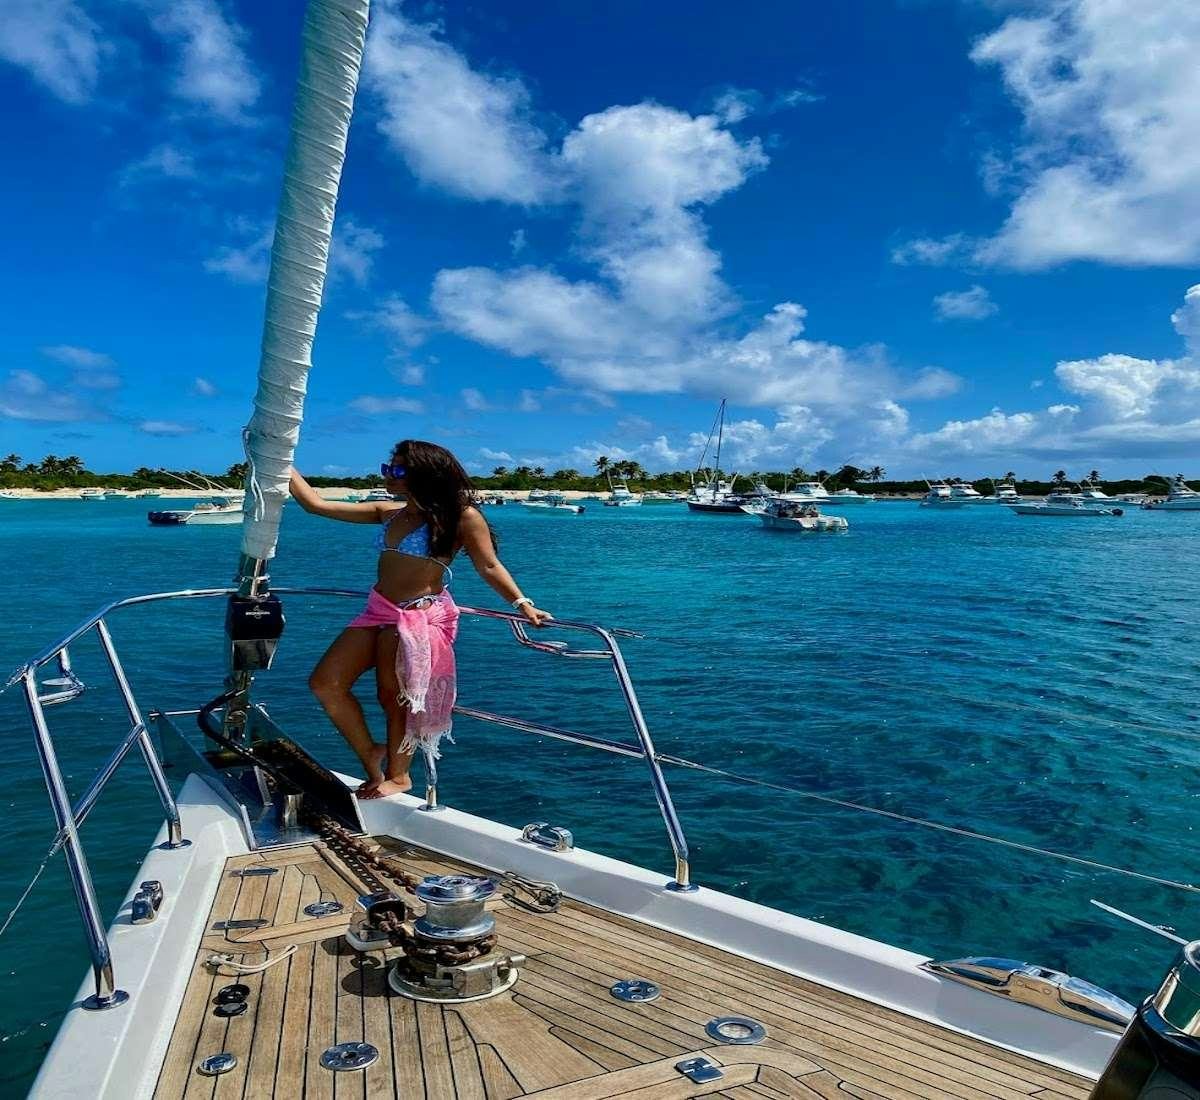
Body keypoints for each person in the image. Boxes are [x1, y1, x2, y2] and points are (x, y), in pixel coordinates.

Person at [289, 440, 552, 798]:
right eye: (388, 468)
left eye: (398, 470)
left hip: (417, 615)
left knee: (393, 695)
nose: (388, 476)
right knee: (326, 683)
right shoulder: (389, 512)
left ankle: (399, 776)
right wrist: (276, 457)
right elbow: (315, 504)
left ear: (426, 475)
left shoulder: (461, 517)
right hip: (378, 610)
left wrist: (522, 604)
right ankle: (370, 751)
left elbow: (489, 565)